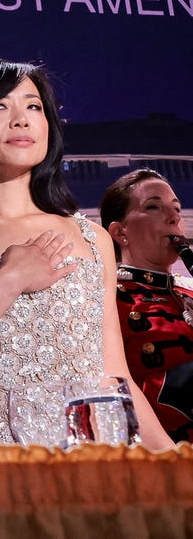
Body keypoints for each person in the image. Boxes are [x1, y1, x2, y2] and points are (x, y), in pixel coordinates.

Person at [0, 59, 172, 450]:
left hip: (90, 462)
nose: (21, 120)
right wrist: (8, 279)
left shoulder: (92, 238)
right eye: (0, 106)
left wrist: (172, 460)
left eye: (33, 106)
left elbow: (112, 375)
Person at [100, 168, 193, 442]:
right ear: (120, 232)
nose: (174, 217)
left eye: (177, 208)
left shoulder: (187, 290)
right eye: (153, 207)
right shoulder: (108, 298)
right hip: (164, 452)